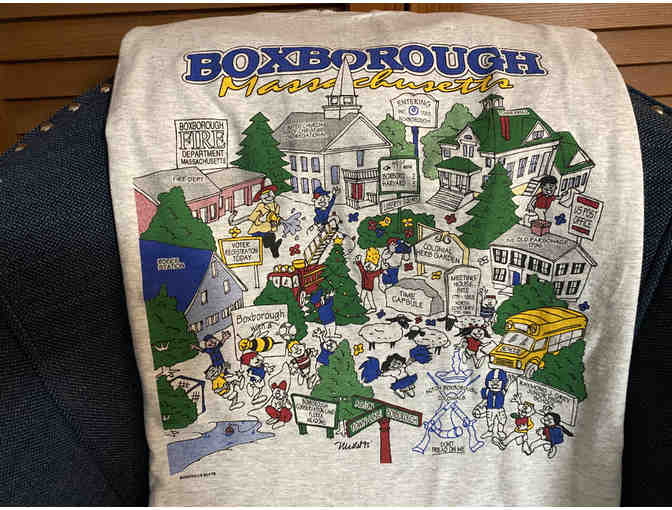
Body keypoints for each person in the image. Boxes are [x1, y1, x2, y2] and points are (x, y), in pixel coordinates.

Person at [229, 185, 284, 258]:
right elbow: (252, 217)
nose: (268, 198)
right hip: (258, 230)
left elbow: (275, 218)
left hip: (268, 230)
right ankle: (273, 247)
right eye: (266, 196)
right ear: (262, 198)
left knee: (271, 237)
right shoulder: (261, 206)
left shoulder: (276, 206)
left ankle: (274, 248)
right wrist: (233, 217)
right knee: (266, 240)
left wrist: (275, 225)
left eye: (269, 195)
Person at [355, 247, 384, 312]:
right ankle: (364, 307)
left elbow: (378, 272)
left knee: (366, 298)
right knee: (363, 297)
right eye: (367, 263)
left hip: (369, 288)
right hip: (364, 288)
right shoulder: (364, 272)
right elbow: (361, 268)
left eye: (371, 265)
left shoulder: (372, 273)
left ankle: (369, 307)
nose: (368, 267)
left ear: (375, 267)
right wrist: (358, 261)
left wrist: (382, 269)